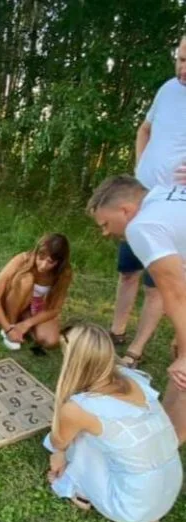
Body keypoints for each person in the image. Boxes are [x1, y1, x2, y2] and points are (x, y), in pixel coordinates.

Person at [45, 324, 182, 522]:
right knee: (104, 436)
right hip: (170, 485)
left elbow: (58, 441)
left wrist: (58, 454)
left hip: (130, 504)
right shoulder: (132, 377)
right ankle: (147, 516)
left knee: (80, 440)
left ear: (72, 360)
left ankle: (79, 491)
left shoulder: (78, 408)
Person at [87, 175, 186, 444]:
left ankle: (161, 453)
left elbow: (174, 293)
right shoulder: (167, 191)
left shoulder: (141, 226)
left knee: (182, 377)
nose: (106, 232)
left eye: (106, 224)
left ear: (126, 210)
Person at [109, 34, 186, 368]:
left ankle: (135, 350)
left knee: (158, 285)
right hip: (141, 201)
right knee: (128, 272)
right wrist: (140, 168)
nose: (182, 68)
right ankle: (116, 331)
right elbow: (145, 129)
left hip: (171, 212)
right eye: (181, 58)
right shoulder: (168, 89)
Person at [0, 234, 72, 351]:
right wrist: (9, 328)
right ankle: (10, 325)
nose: (43, 265)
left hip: (33, 308)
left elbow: (55, 309)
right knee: (26, 280)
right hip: (11, 301)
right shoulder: (22, 259)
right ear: (36, 252)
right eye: (41, 258)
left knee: (50, 341)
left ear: (59, 263)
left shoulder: (64, 273)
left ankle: (20, 324)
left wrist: (27, 324)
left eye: (50, 262)